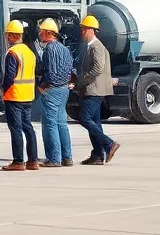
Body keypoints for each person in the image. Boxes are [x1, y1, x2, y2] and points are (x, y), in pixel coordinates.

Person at [72, 15, 119, 165]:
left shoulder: (96, 46)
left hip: (94, 90)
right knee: (94, 122)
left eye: (84, 29)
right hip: (92, 89)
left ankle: (109, 143)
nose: (82, 32)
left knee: (84, 118)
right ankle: (98, 155)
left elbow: (98, 68)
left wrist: (82, 81)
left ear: (91, 30)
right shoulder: (89, 46)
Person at [0, 20, 38, 171]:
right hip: (28, 95)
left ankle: (18, 161)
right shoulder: (29, 52)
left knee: (16, 129)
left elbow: (9, 76)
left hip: (14, 96)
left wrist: (3, 90)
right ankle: (33, 160)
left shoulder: (13, 53)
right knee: (28, 127)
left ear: (10, 36)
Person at [35, 18, 74, 168]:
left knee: (50, 124)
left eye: (41, 32)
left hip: (51, 90)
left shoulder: (49, 49)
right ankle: (67, 157)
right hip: (64, 89)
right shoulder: (65, 49)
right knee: (61, 123)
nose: (40, 35)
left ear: (48, 33)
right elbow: (71, 70)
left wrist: (42, 86)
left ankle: (54, 159)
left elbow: (50, 72)